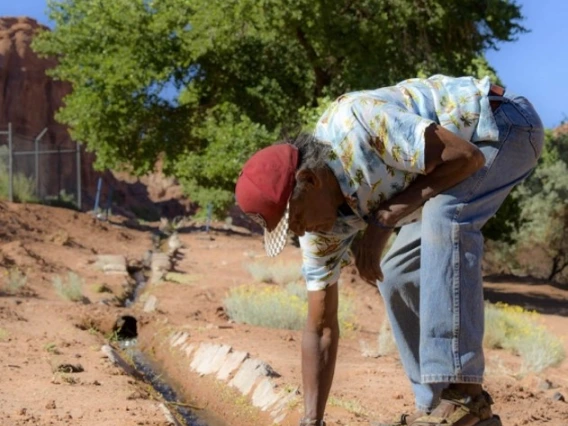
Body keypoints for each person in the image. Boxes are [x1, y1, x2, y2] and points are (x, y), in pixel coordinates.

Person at [235, 75, 544, 426]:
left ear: (310, 181)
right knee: (396, 274)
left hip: (502, 126)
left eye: (297, 219)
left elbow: (466, 158)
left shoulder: (358, 124)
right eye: (290, 229)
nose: (299, 231)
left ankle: (464, 398)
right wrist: (311, 421)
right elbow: (320, 327)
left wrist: (384, 219)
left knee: (448, 216)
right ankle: (439, 408)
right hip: (456, 167)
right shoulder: (320, 226)